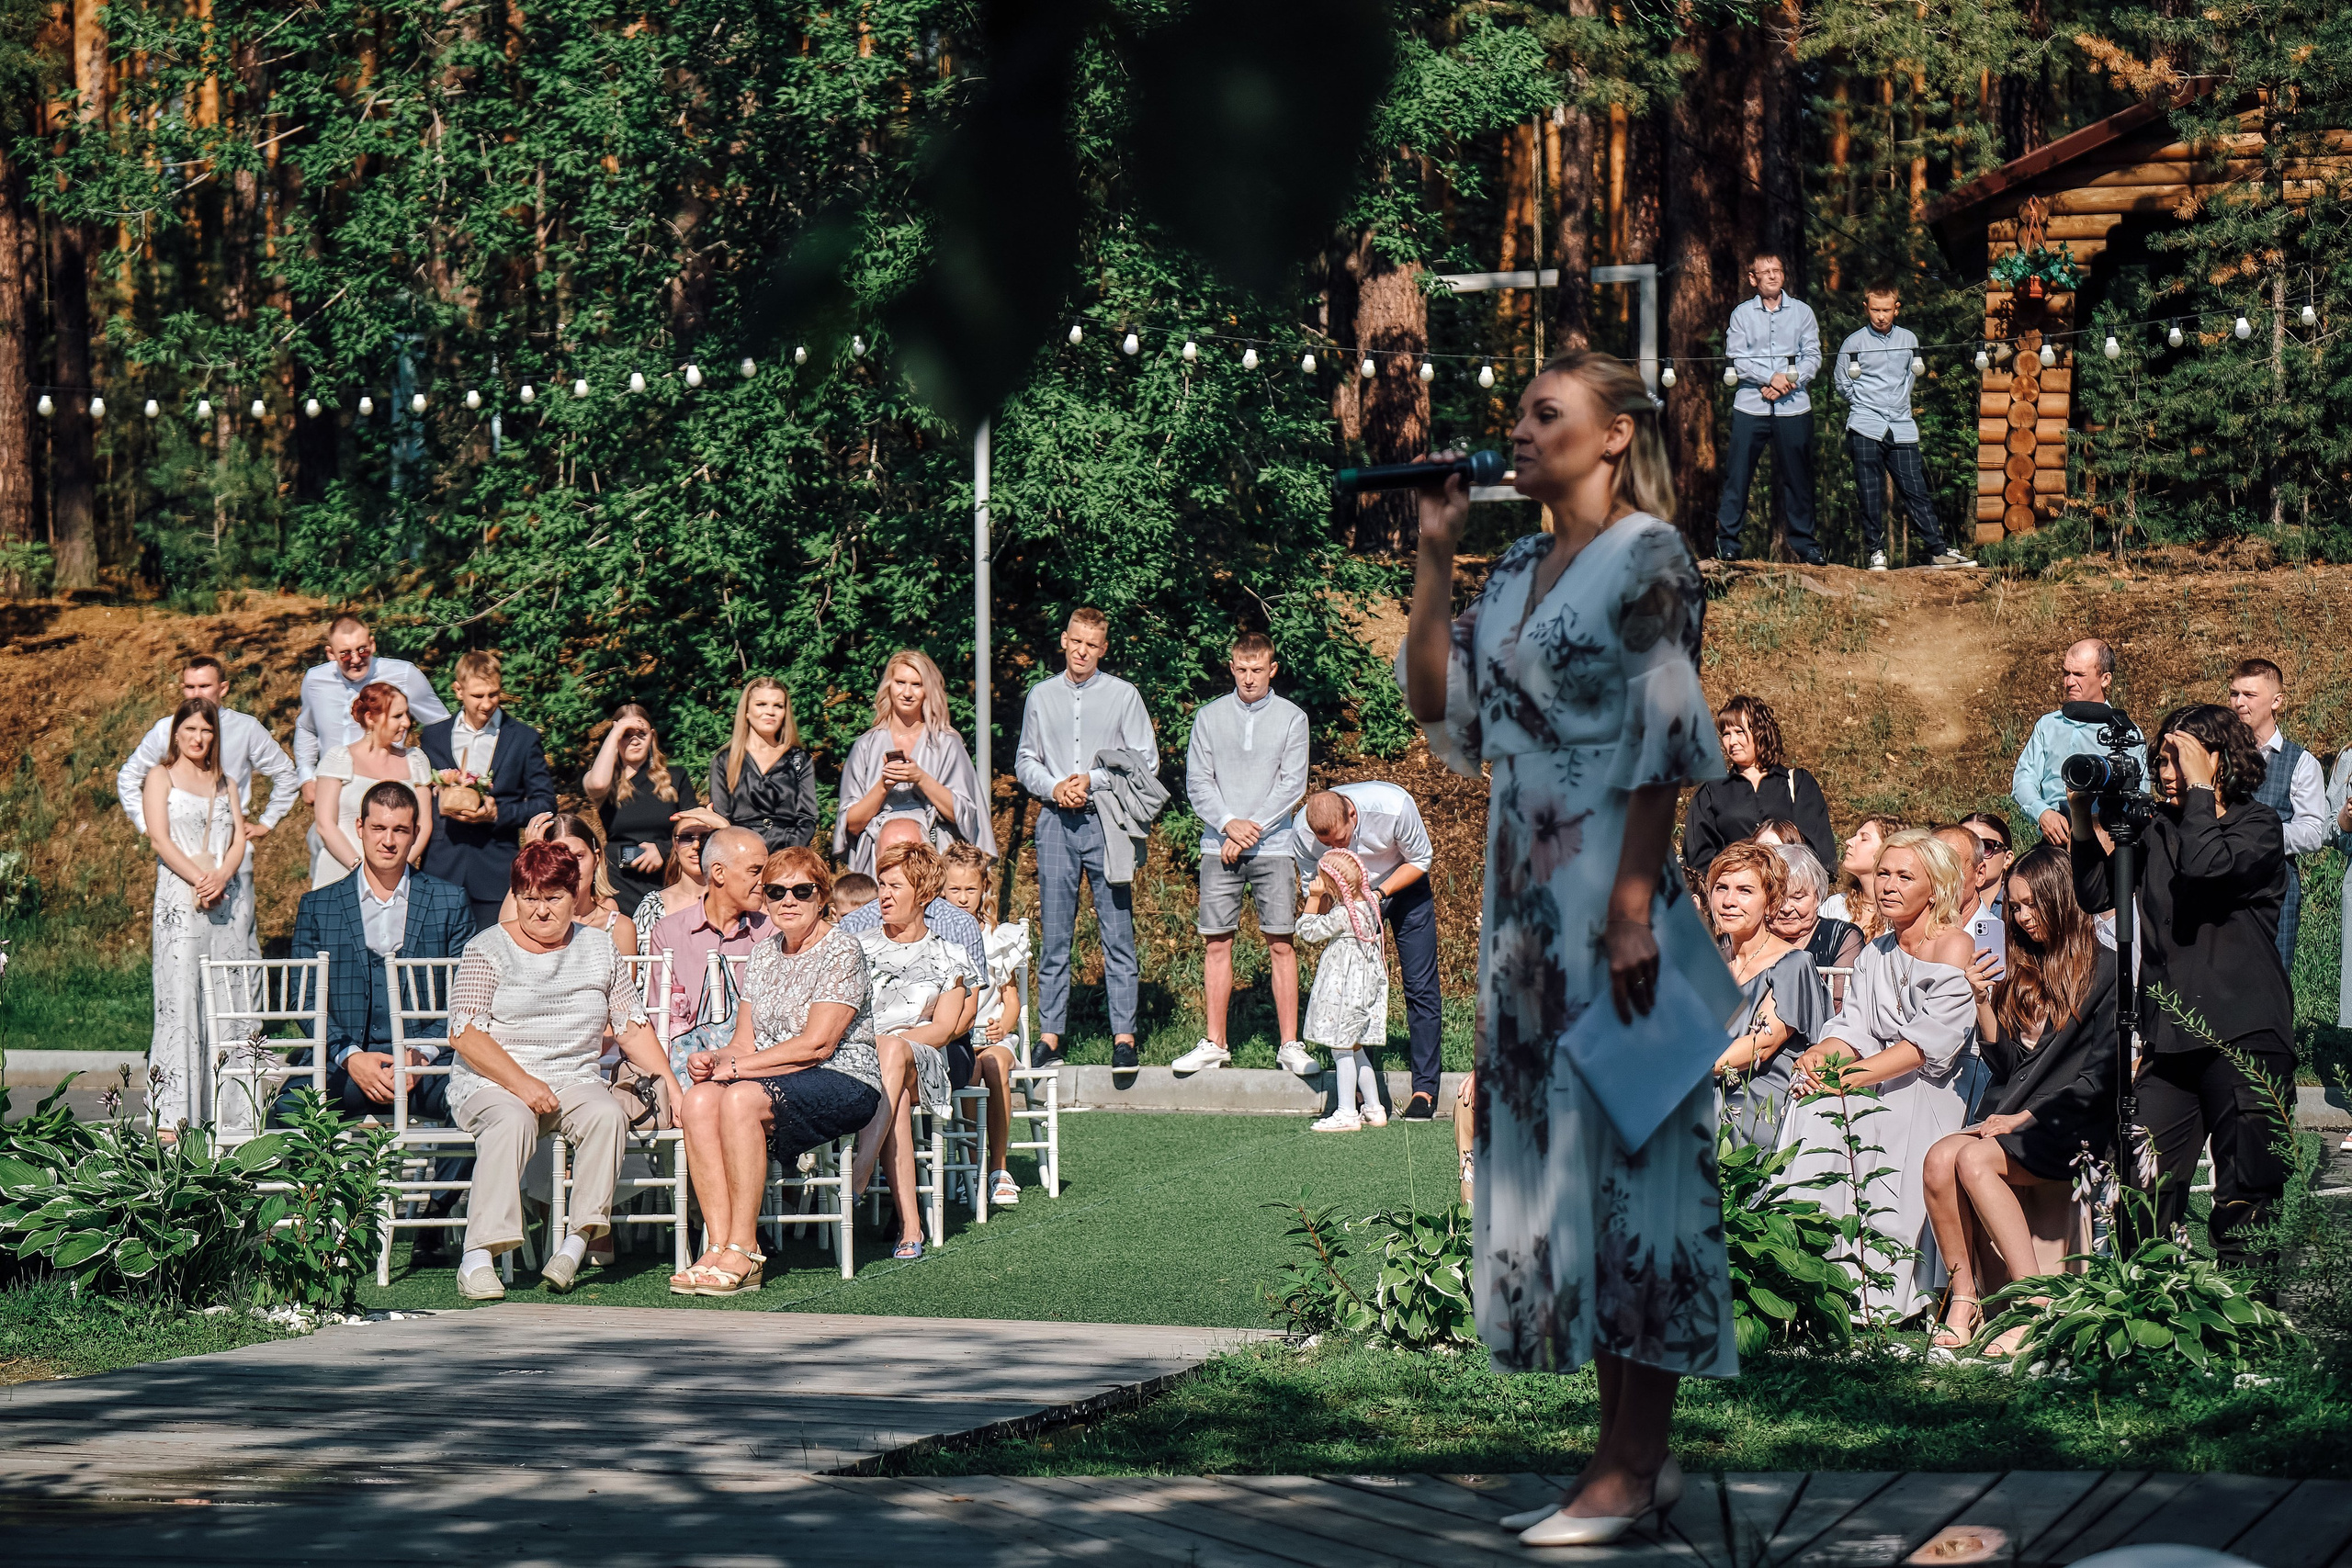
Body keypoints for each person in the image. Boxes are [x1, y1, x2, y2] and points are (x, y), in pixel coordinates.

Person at [1403, 348, 1732, 1545]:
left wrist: (1638, 899)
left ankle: (1629, 1465)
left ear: (1609, 437)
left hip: (1608, 892)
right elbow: (1444, 712)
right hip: (1524, 906)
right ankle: (1630, 1452)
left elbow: (1669, 715)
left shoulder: (1648, 553)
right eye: (1521, 412)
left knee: (1636, 1172)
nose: (1523, 428)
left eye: (1550, 412)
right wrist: (1437, 553)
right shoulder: (1515, 568)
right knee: (1569, 1177)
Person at [2071, 703, 2294, 1269]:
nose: (2166, 770)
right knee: (2141, 1189)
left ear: (2218, 760)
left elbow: (2208, 867)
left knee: (2245, 1194)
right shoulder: (2160, 830)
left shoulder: (2258, 826)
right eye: (2161, 758)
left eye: (2180, 757)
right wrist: (2081, 816)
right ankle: (2149, 1321)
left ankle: (2251, 1333)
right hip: (2171, 1039)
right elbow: (2099, 893)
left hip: (2244, 1033)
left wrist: (2199, 791)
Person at [444, 839, 682, 1301]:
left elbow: (632, 1028)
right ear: (516, 897)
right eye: (529, 898)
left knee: (607, 1114)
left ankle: (576, 1243)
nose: (540, 910)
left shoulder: (600, 948)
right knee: (511, 1120)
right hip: (493, 1082)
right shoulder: (486, 948)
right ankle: (477, 1256)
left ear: (576, 894)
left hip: (574, 1079)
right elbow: (465, 1034)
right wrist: (523, 1084)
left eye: (553, 898)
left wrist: (672, 1088)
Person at [1777, 829, 1984, 1324]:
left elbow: (1923, 1048)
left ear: (1934, 887)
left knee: (1871, 1108)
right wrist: (1820, 1057)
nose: (1887, 885)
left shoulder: (1954, 945)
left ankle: (1889, 1290)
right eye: (1884, 874)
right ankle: (1808, 1272)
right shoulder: (1876, 951)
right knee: (1813, 1104)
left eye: (1904, 876)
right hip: (1881, 1073)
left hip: (1940, 1083)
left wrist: (1847, 1081)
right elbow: (1854, 1027)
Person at [1923, 845, 2117, 1355]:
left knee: (1973, 1158)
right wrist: (1983, 1003)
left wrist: (2021, 1119)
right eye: (2015, 906)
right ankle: (1965, 1297)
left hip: (2070, 1121)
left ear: (2063, 900)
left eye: (2032, 904)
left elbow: (2101, 1076)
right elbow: (2008, 1067)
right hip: (2015, 1111)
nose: (2023, 918)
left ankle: (2035, 1305)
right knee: (1939, 1160)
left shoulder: (2106, 972)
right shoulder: (2019, 965)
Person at [670, 847, 883, 1297]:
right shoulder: (764, 954)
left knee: (740, 1097)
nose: (788, 900)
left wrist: (737, 1069)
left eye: (801, 891)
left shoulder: (842, 949)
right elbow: (743, 1042)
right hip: (772, 1077)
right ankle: (718, 1242)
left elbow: (816, 1045)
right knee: (700, 1098)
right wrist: (715, 1060)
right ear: (764, 898)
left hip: (844, 1077)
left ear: (822, 896)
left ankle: (745, 1251)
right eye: (776, 891)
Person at [286, 781, 476, 1263]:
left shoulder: (449, 901)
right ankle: (318, 1224)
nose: (388, 840)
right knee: (287, 1110)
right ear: (360, 829)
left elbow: (467, 993)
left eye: (400, 830)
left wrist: (422, 1053)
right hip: (345, 1062)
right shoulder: (319, 905)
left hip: (424, 1064)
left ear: (415, 835)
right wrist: (350, 1056)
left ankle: (434, 1217)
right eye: (378, 828)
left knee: (478, 1101)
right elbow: (304, 998)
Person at [1013, 606, 1159, 1071]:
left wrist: (1091, 781)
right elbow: (1026, 759)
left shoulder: (1123, 696)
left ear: (1103, 648)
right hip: (1055, 822)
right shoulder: (1041, 696)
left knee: (1117, 931)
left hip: (1107, 820)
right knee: (1055, 935)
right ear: (1063, 640)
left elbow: (1145, 762)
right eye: (1076, 641)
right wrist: (1055, 786)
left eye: (1092, 644)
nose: (1082, 651)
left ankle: (1124, 1036)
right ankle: (1050, 1035)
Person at [1175, 631, 1311, 1076]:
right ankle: (1215, 1043)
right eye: (1241, 669)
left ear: (1272, 669)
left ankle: (1290, 1044)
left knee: (1281, 944)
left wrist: (1247, 831)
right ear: (1231, 667)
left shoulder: (1293, 718)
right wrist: (1229, 824)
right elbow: (1199, 783)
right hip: (1219, 845)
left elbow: (1292, 784)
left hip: (1273, 847)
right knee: (1217, 942)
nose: (1249, 678)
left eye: (1258, 670)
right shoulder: (1209, 717)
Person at [1287, 784, 1442, 1118]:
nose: (1334, 847)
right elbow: (1313, 885)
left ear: (1353, 815)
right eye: (1326, 844)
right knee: (1352, 990)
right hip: (1349, 902)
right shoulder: (1302, 831)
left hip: (1401, 886)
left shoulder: (1394, 806)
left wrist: (1378, 894)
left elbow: (1421, 858)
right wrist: (1334, 908)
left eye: (1340, 840)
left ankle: (1424, 1090)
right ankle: (1362, 1092)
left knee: (1419, 984)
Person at [855, 840, 975, 1260]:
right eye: (881, 885)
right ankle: (910, 1224)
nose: (883, 895)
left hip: (922, 1060)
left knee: (895, 1056)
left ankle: (860, 1167)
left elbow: (943, 1029)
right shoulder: (855, 946)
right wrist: (881, 1047)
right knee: (898, 1098)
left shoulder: (949, 955)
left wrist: (894, 1044)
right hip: (860, 1058)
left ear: (923, 894)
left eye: (894, 887)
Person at [144, 698, 257, 1135]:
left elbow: (238, 839)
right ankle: (174, 1115)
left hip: (225, 903)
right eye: (190, 729)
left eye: (206, 730)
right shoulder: (161, 776)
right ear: (176, 733)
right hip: (181, 901)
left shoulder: (225, 782)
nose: (198, 737)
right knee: (180, 1001)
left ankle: (231, 1115)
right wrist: (199, 879)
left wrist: (223, 876)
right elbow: (159, 838)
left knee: (227, 1001)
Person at [1831, 283, 1971, 570]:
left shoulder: (1909, 338)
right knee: (1870, 492)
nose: (1880, 316)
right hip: (1865, 424)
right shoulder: (1853, 342)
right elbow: (1841, 382)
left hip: (1902, 425)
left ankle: (1938, 551)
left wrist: (1897, 403)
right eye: (1874, 310)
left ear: (1896, 308)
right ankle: (1875, 553)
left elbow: (1911, 376)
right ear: (1866, 308)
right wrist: (1863, 401)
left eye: (1886, 310)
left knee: (1916, 490)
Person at [418, 649, 558, 934]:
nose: (486, 704)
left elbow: (546, 803)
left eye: (493, 695)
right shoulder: (433, 736)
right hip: (441, 864)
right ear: (458, 690)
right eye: (477, 696)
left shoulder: (522, 738)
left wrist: (499, 813)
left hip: (495, 868)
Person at [1711, 842, 1830, 1150]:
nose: (1728, 901)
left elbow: (1758, 1048)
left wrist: (1675, 1071)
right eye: (1721, 887)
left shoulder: (1793, 965)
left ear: (1770, 902)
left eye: (1745, 890)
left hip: (1755, 1109)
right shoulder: (1710, 967)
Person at [834, 649, 997, 875]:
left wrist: (920, 778)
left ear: (927, 691)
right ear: (888, 687)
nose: (907, 693)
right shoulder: (865, 745)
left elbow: (966, 816)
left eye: (917, 684)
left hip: (935, 853)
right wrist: (883, 785)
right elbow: (850, 825)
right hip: (877, 858)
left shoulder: (947, 743)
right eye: (900, 682)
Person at [117, 654, 297, 852]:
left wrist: (266, 823)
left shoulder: (245, 728)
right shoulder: (166, 728)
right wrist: (145, 825)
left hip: (231, 842)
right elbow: (129, 776)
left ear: (223, 688)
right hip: (180, 843)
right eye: (189, 687)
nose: (196, 694)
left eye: (204, 686)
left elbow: (285, 772)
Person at [1713, 253, 1825, 567]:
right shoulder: (1741, 315)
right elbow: (1736, 357)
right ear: (1753, 279)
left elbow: (1812, 355)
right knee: (1738, 475)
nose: (1773, 276)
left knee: (1798, 478)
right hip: (1751, 406)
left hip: (1794, 406)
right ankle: (1729, 544)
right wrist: (1769, 378)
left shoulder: (1802, 312)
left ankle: (1807, 546)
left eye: (1777, 270)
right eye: (1766, 272)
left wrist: (1788, 381)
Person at [941, 842, 1029, 1207]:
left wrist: (1003, 1028)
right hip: (956, 1037)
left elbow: (1012, 1000)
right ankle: (970, 1168)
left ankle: (999, 1167)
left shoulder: (997, 936)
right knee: (970, 1068)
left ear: (984, 889)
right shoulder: (938, 935)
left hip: (994, 1035)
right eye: (954, 890)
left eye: (970, 890)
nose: (963, 898)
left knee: (992, 1063)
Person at [292, 615, 449, 814]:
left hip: (388, 790)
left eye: (362, 650)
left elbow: (441, 727)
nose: (356, 660)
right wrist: (306, 776)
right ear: (331, 654)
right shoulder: (315, 680)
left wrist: (443, 778)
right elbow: (306, 728)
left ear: (372, 644)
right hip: (334, 792)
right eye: (346, 654)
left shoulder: (404, 675)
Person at [2226, 658, 2324, 968]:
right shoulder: (2217, 756)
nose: (2239, 703)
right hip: (2222, 881)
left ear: (2277, 701)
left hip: (2274, 886)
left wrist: (2260, 835)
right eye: (2234, 694)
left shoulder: (2301, 762)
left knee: (2273, 978)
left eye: (2250, 695)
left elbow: (2313, 832)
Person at [1679, 694, 1834, 884]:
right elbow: (1699, 856)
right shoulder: (1711, 791)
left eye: (1739, 731)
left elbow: (1818, 850)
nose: (1731, 741)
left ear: (1760, 731)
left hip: (1790, 893)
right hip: (1739, 895)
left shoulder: (1797, 783)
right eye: (1726, 734)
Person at [2010, 638, 2140, 850]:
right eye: (2066, 673)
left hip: (2103, 843)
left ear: (2105, 679)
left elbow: (2136, 793)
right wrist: (2043, 812)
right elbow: (2024, 780)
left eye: (2079, 675)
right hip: (2054, 843)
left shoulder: (2124, 732)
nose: (2069, 682)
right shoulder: (2047, 725)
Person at [649, 827, 772, 1046]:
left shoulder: (772, 932)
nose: (764, 881)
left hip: (755, 1058)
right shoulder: (669, 932)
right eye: (755, 871)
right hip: (687, 1061)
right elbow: (661, 1018)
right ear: (719, 872)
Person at [1297, 849, 1391, 1134]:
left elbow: (1308, 932)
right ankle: (1374, 1108)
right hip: (1364, 988)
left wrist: (1313, 900)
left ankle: (1346, 1112)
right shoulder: (1369, 907)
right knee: (1355, 1047)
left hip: (1345, 990)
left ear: (1335, 885)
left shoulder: (1342, 914)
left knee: (1341, 1049)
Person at [310, 682, 435, 890]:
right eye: (397, 716)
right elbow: (325, 824)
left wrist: (400, 868)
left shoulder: (415, 760)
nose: (406, 723)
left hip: (395, 878)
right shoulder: (339, 759)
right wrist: (359, 868)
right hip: (341, 871)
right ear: (370, 718)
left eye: (406, 715)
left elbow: (424, 824)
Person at [836, 818, 991, 987]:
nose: (898, 862)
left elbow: (972, 998)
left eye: (910, 854)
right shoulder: (854, 926)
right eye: (889, 854)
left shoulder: (960, 925)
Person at [584, 704, 699, 912]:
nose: (634, 740)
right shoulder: (606, 782)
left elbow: (695, 829)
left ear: (652, 736)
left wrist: (664, 851)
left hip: (667, 880)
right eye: (627, 735)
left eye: (641, 733)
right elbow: (597, 784)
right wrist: (616, 732)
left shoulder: (675, 777)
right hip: (619, 884)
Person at [498, 813, 639, 957]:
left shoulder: (617, 925)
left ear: (596, 859)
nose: (572, 866)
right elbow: (505, 937)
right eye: (559, 857)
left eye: (579, 856)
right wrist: (530, 862)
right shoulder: (535, 919)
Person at [708, 676, 819, 854]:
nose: (770, 712)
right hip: (740, 853)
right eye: (761, 704)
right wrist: (745, 853)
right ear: (746, 711)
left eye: (778, 706)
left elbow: (807, 817)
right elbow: (721, 818)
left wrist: (787, 853)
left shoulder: (799, 759)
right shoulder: (725, 760)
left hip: (789, 854)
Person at [1767, 840, 1863, 1008]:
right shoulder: (1749, 935)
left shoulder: (1842, 938)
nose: (1786, 908)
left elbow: (1842, 1009)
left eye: (1798, 897)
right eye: (1778, 897)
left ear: (1818, 897)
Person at [631, 806, 730, 953]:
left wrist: (725, 827)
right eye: (686, 838)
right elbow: (642, 969)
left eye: (706, 838)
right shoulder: (653, 905)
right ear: (675, 845)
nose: (696, 845)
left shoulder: (735, 900)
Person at [1821, 813, 1906, 934]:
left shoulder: (1902, 918)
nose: (1849, 842)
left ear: (1887, 851)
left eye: (1864, 838)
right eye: (1855, 836)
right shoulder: (1835, 906)